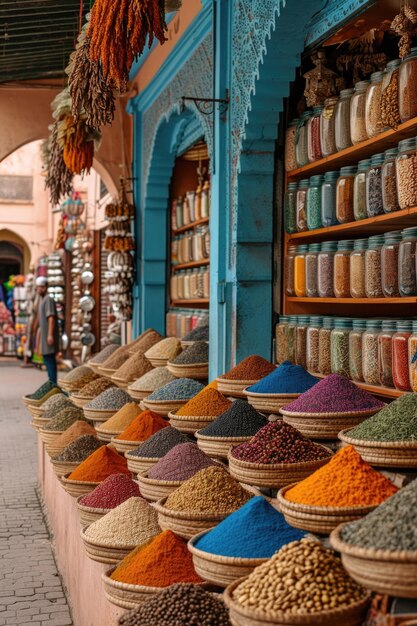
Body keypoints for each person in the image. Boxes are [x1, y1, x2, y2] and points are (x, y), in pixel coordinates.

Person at [35, 276, 59, 383]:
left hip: (48, 336)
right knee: (47, 359)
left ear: (44, 288)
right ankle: (51, 383)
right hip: (44, 336)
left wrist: (50, 335)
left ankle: (53, 384)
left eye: (39, 287)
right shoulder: (42, 300)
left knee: (49, 359)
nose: (37, 289)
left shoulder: (48, 300)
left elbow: (51, 318)